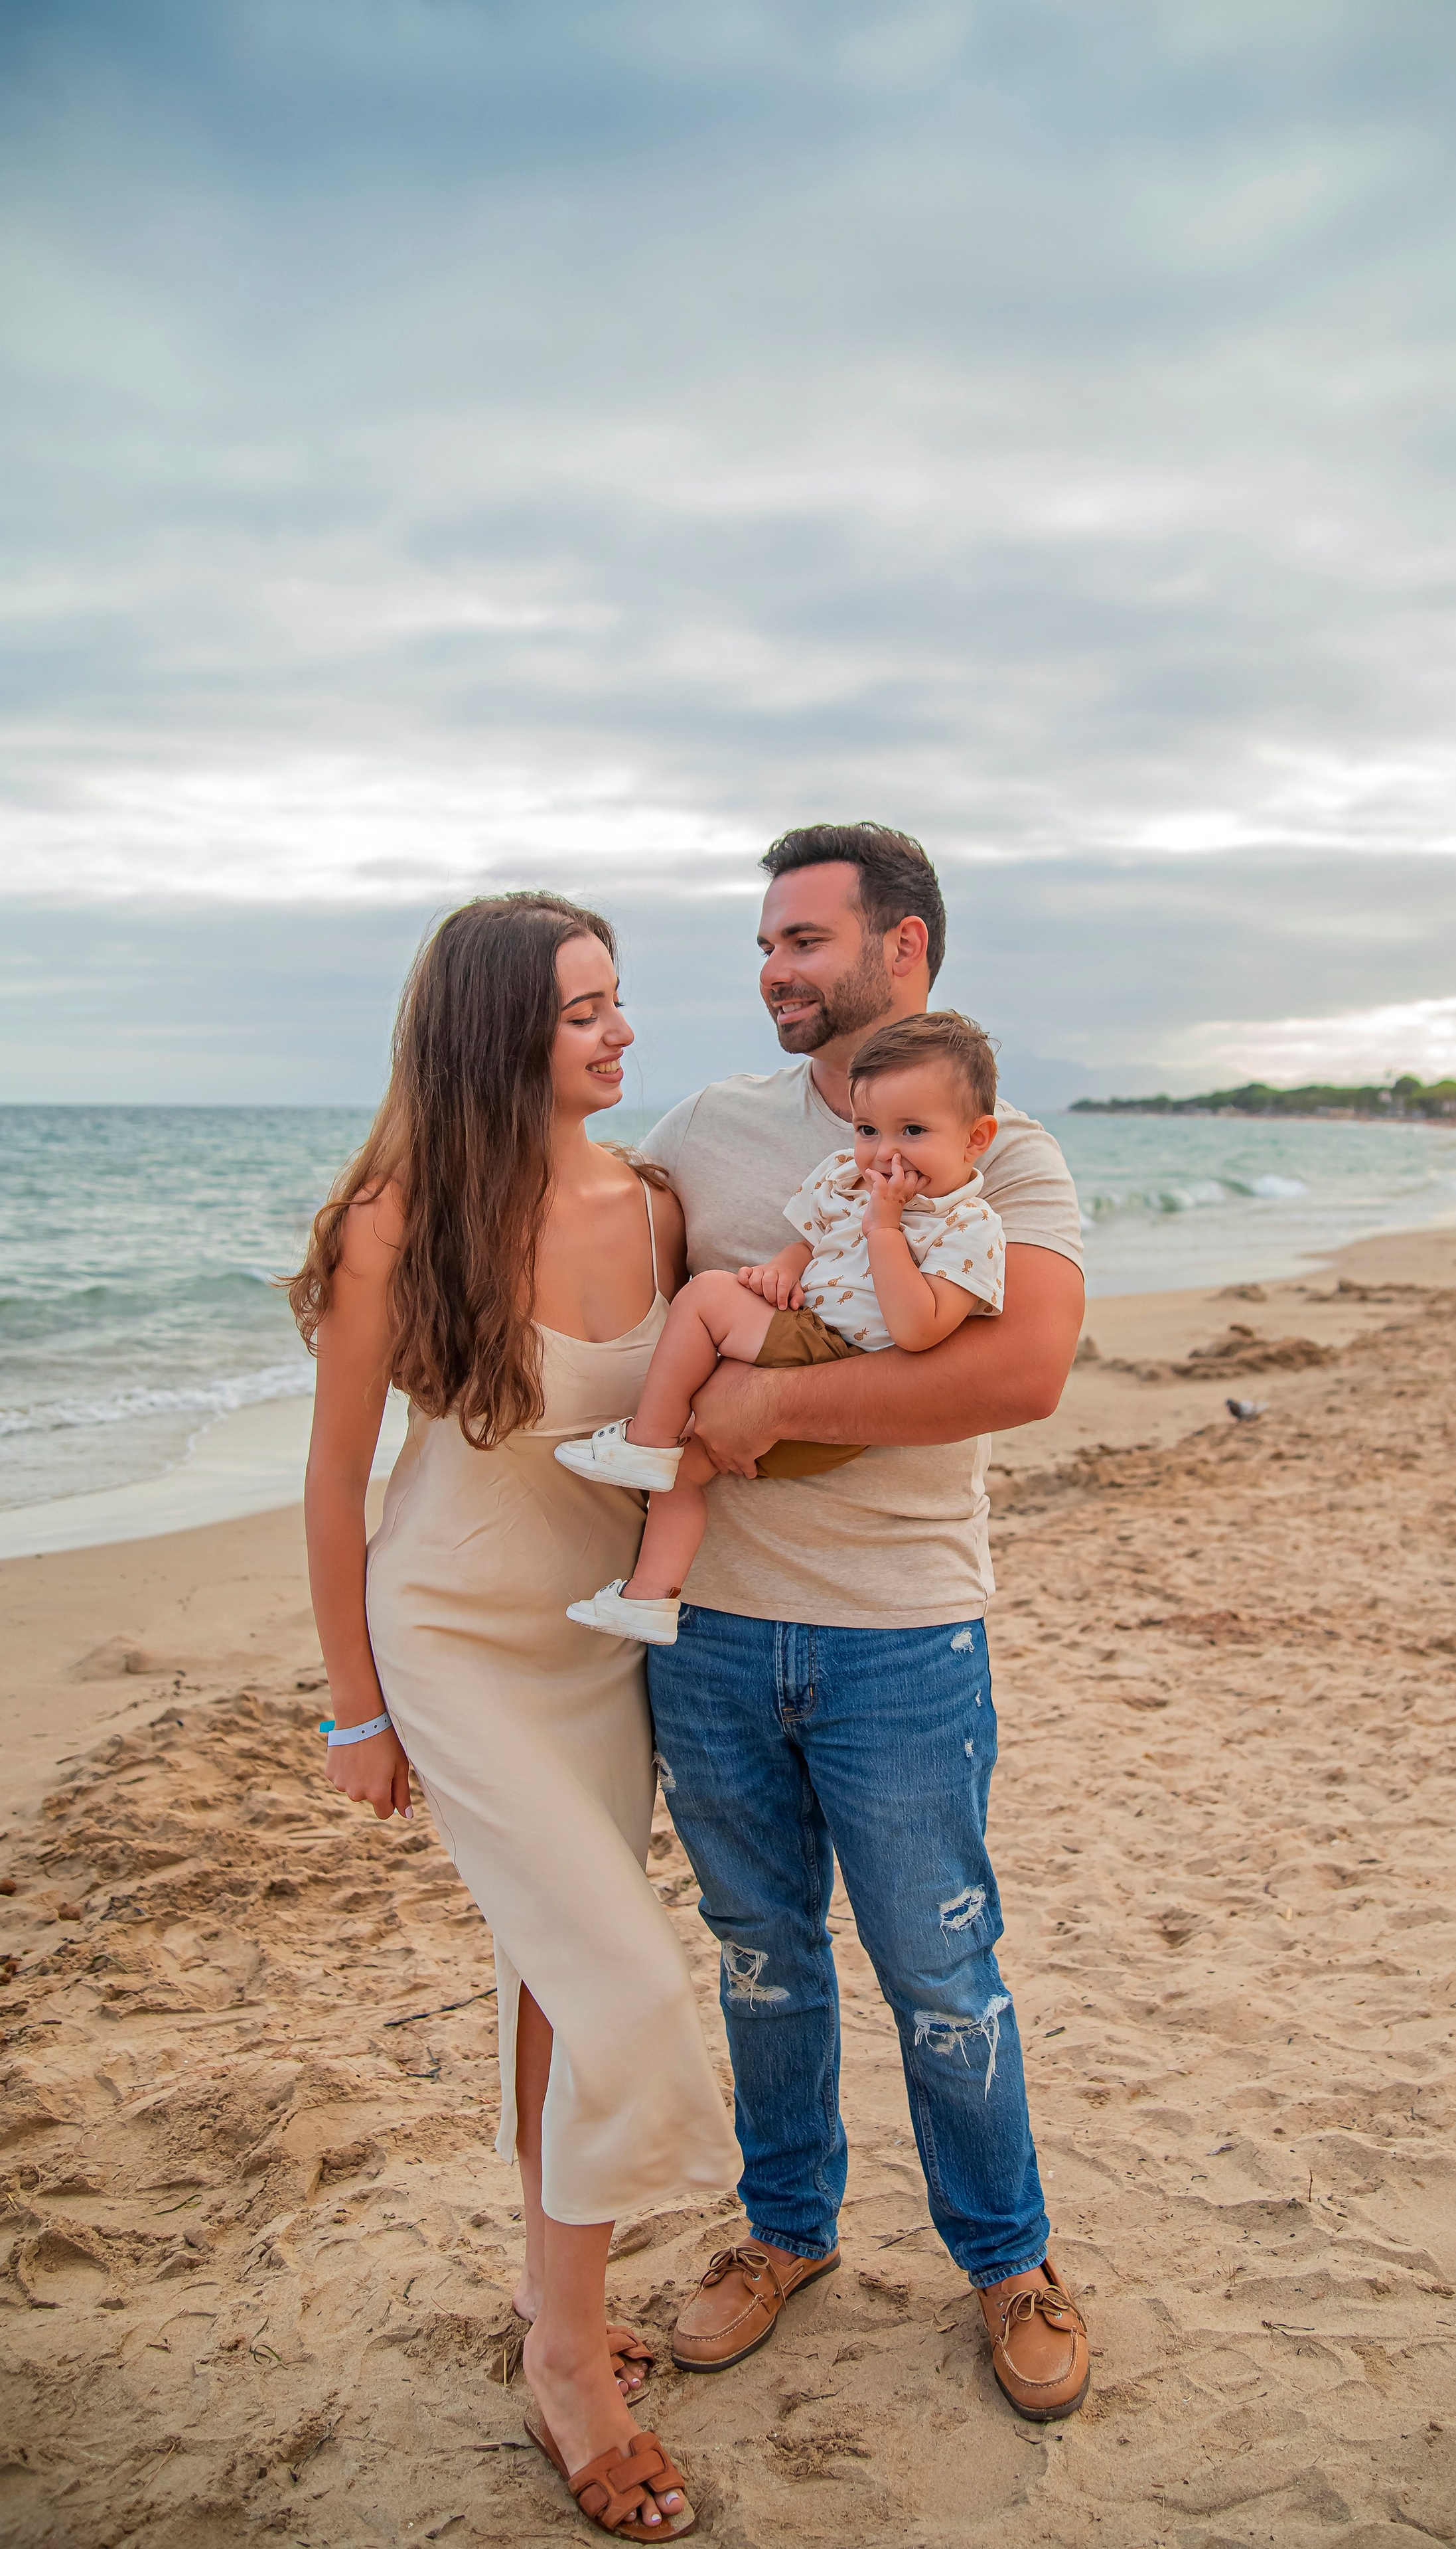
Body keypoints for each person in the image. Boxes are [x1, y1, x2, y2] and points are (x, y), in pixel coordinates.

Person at [289, 891, 739, 2540]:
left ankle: (557, 2312)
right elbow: (336, 1483)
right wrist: (355, 1709)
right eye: (584, 1011)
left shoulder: (654, 1202)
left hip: (600, 1643)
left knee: (562, 1973)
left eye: (618, 1002)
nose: (622, 1032)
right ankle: (567, 2354)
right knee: (620, 1971)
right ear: (498, 1036)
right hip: (457, 1635)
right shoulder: (396, 1225)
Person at [642, 824, 1094, 2424]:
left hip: (901, 1632)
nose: (773, 968)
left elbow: (1012, 1372)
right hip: (703, 1632)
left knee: (939, 1967)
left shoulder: (998, 1149)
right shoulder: (703, 1132)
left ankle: (1007, 2258)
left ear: (901, 951)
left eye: (805, 940)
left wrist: (765, 1405)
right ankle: (784, 2233)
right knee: (760, 1956)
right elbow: (588, 1264)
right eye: (764, 941)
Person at [557, 1009, 1007, 1646]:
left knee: (709, 1296)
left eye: (913, 1130)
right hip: (804, 1327)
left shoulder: (970, 1226)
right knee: (688, 1471)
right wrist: (780, 1271)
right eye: (868, 1129)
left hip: (843, 1362)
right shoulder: (846, 1179)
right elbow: (810, 1246)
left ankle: (645, 1438)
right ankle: (648, 1597)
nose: (885, 1153)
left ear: (975, 1138)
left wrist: (885, 1227)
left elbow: (919, 1329)